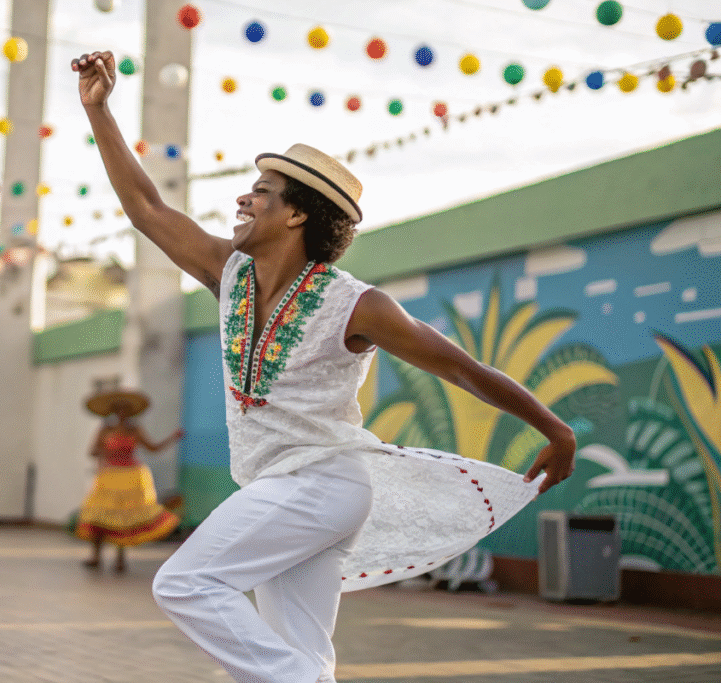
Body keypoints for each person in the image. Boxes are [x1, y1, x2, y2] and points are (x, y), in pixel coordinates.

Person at [72, 51, 576, 683]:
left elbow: (466, 370)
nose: (243, 198)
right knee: (300, 651)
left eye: (260, 192)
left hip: (322, 486)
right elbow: (147, 208)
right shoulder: (231, 278)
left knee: (185, 582)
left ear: (298, 214)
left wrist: (557, 429)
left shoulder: (359, 305)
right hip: (276, 490)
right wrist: (99, 109)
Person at [76, 389, 184, 572]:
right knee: (98, 516)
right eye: (118, 409)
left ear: (130, 412)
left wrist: (172, 439)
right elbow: (92, 451)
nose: (121, 413)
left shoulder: (135, 430)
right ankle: (95, 556)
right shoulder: (105, 429)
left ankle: (120, 559)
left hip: (132, 476)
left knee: (124, 519)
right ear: (113, 411)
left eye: (125, 409)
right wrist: (105, 453)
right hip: (109, 476)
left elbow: (153, 448)